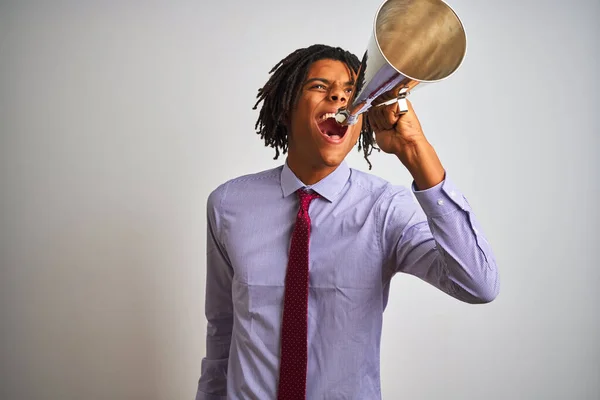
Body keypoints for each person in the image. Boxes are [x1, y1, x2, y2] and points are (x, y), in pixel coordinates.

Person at [195, 44, 499, 400]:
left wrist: (416, 152)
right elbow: (222, 330)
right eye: (319, 87)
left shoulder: (387, 209)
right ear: (285, 108)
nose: (339, 95)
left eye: (352, 92)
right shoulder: (228, 204)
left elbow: (478, 284)